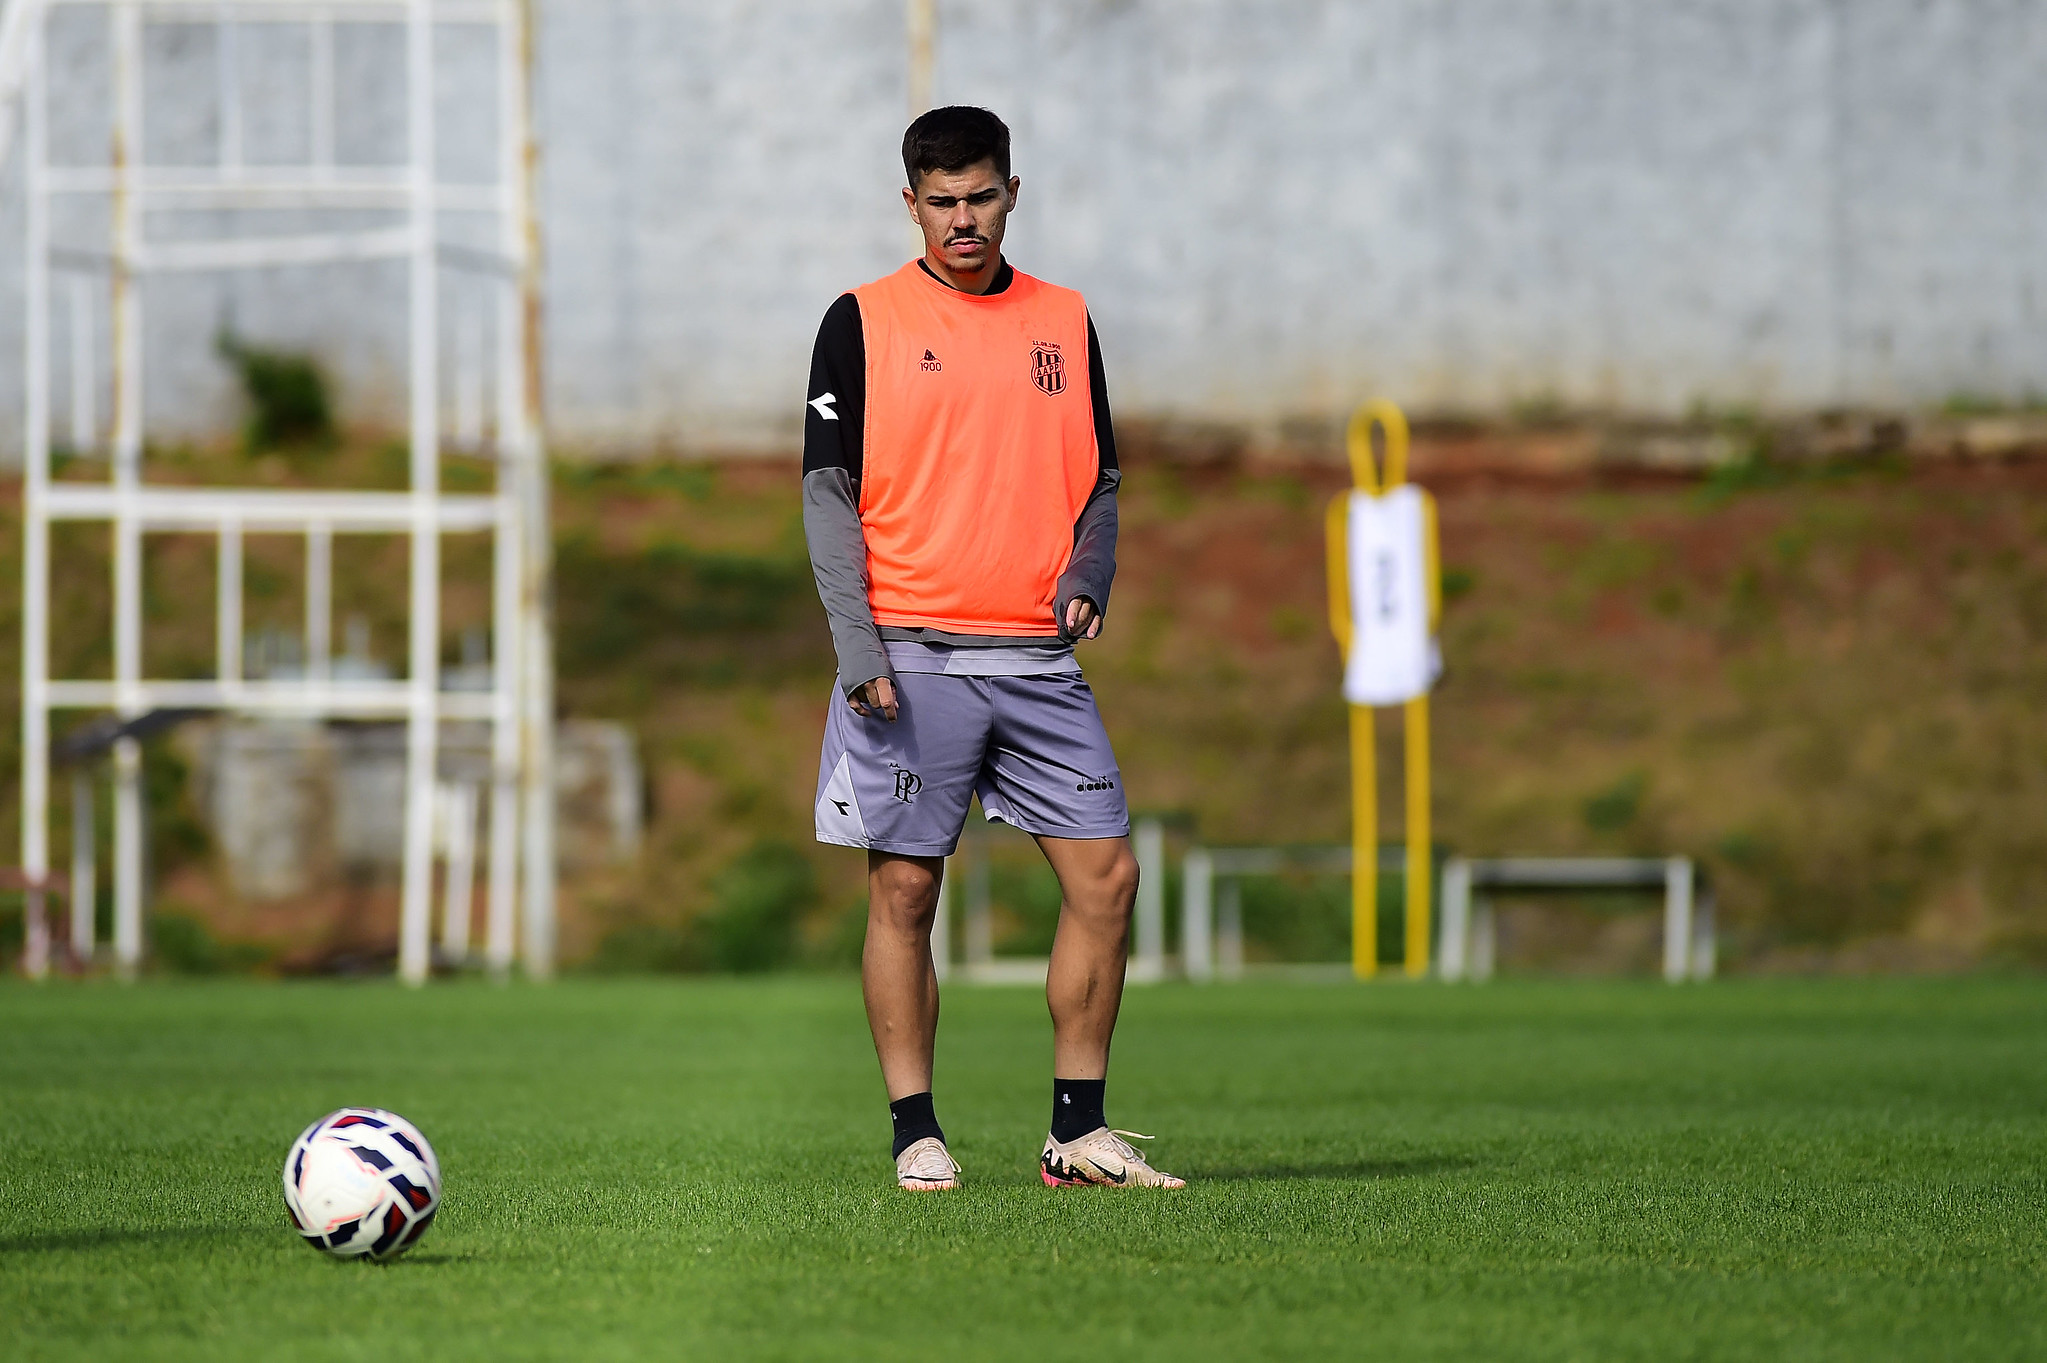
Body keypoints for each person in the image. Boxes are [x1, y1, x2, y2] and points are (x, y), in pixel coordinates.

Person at [802, 106, 1182, 1192]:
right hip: (910, 655)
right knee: (907, 891)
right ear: (910, 203)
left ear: (1013, 192)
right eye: (940, 201)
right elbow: (826, 494)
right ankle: (915, 1129)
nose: (961, 220)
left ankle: (1077, 1130)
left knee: (1108, 877)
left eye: (979, 197)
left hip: (1036, 660)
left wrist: (1086, 574)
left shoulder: (1064, 317)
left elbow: (1100, 477)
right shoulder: (859, 320)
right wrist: (855, 642)